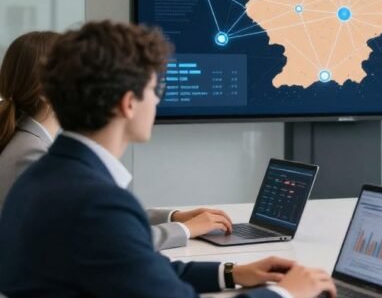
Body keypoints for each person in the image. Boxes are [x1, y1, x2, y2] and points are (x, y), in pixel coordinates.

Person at [0, 21, 337, 298]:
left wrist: (234, 272)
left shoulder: (45, 176)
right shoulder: (94, 203)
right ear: (128, 103)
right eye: (153, 91)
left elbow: (137, 270)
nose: (157, 103)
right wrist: (286, 295)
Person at [0, 30, 230, 250]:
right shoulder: (32, 157)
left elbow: (98, 214)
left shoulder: (32, 144)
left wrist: (173, 217)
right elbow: (103, 238)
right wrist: (184, 229)